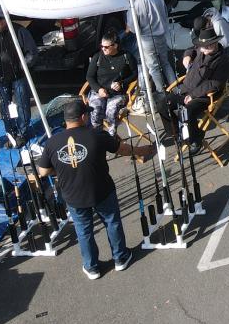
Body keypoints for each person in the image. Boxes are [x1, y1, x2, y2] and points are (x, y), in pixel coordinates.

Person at [35, 97, 153, 280]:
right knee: (111, 222)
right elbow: (122, 149)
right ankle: (120, 258)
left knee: (84, 230)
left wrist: (60, 167)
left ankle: (91, 267)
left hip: (73, 195)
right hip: (101, 190)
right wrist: (144, 150)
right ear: (83, 117)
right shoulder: (97, 134)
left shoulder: (52, 142)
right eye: (87, 114)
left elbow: (42, 171)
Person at [158, 26, 229, 154]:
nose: (203, 48)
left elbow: (215, 84)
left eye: (207, 45)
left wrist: (193, 95)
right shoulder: (201, 49)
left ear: (214, 43)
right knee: (163, 104)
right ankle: (176, 134)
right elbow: (191, 50)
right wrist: (187, 56)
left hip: (206, 96)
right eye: (202, 46)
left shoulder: (223, 60)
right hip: (186, 90)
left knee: (188, 110)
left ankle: (195, 139)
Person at [0, 6, 36, 144]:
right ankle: (10, 133)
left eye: (1, 18)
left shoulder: (19, 31)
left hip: (18, 76)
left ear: (7, 18)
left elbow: (32, 53)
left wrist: (21, 66)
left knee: (22, 104)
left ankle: (22, 133)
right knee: (5, 107)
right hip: (1, 78)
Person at [125, 0, 176, 92]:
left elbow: (133, 29)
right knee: (166, 63)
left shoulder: (133, 7)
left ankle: (161, 91)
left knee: (153, 68)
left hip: (146, 40)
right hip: (162, 35)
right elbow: (165, 13)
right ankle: (175, 89)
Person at [84, 33, 136, 131]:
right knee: (95, 111)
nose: (103, 49)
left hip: (118, 93)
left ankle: (112, 137)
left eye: (106, 47)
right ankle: (97, 136)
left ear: (115, 45)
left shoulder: (126, 56)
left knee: (111, 112)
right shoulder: (97, 57)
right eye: (102, 46)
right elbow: (89, 76)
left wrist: (122, 83)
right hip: (99, 91)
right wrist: (98, 89)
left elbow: (134, 74)